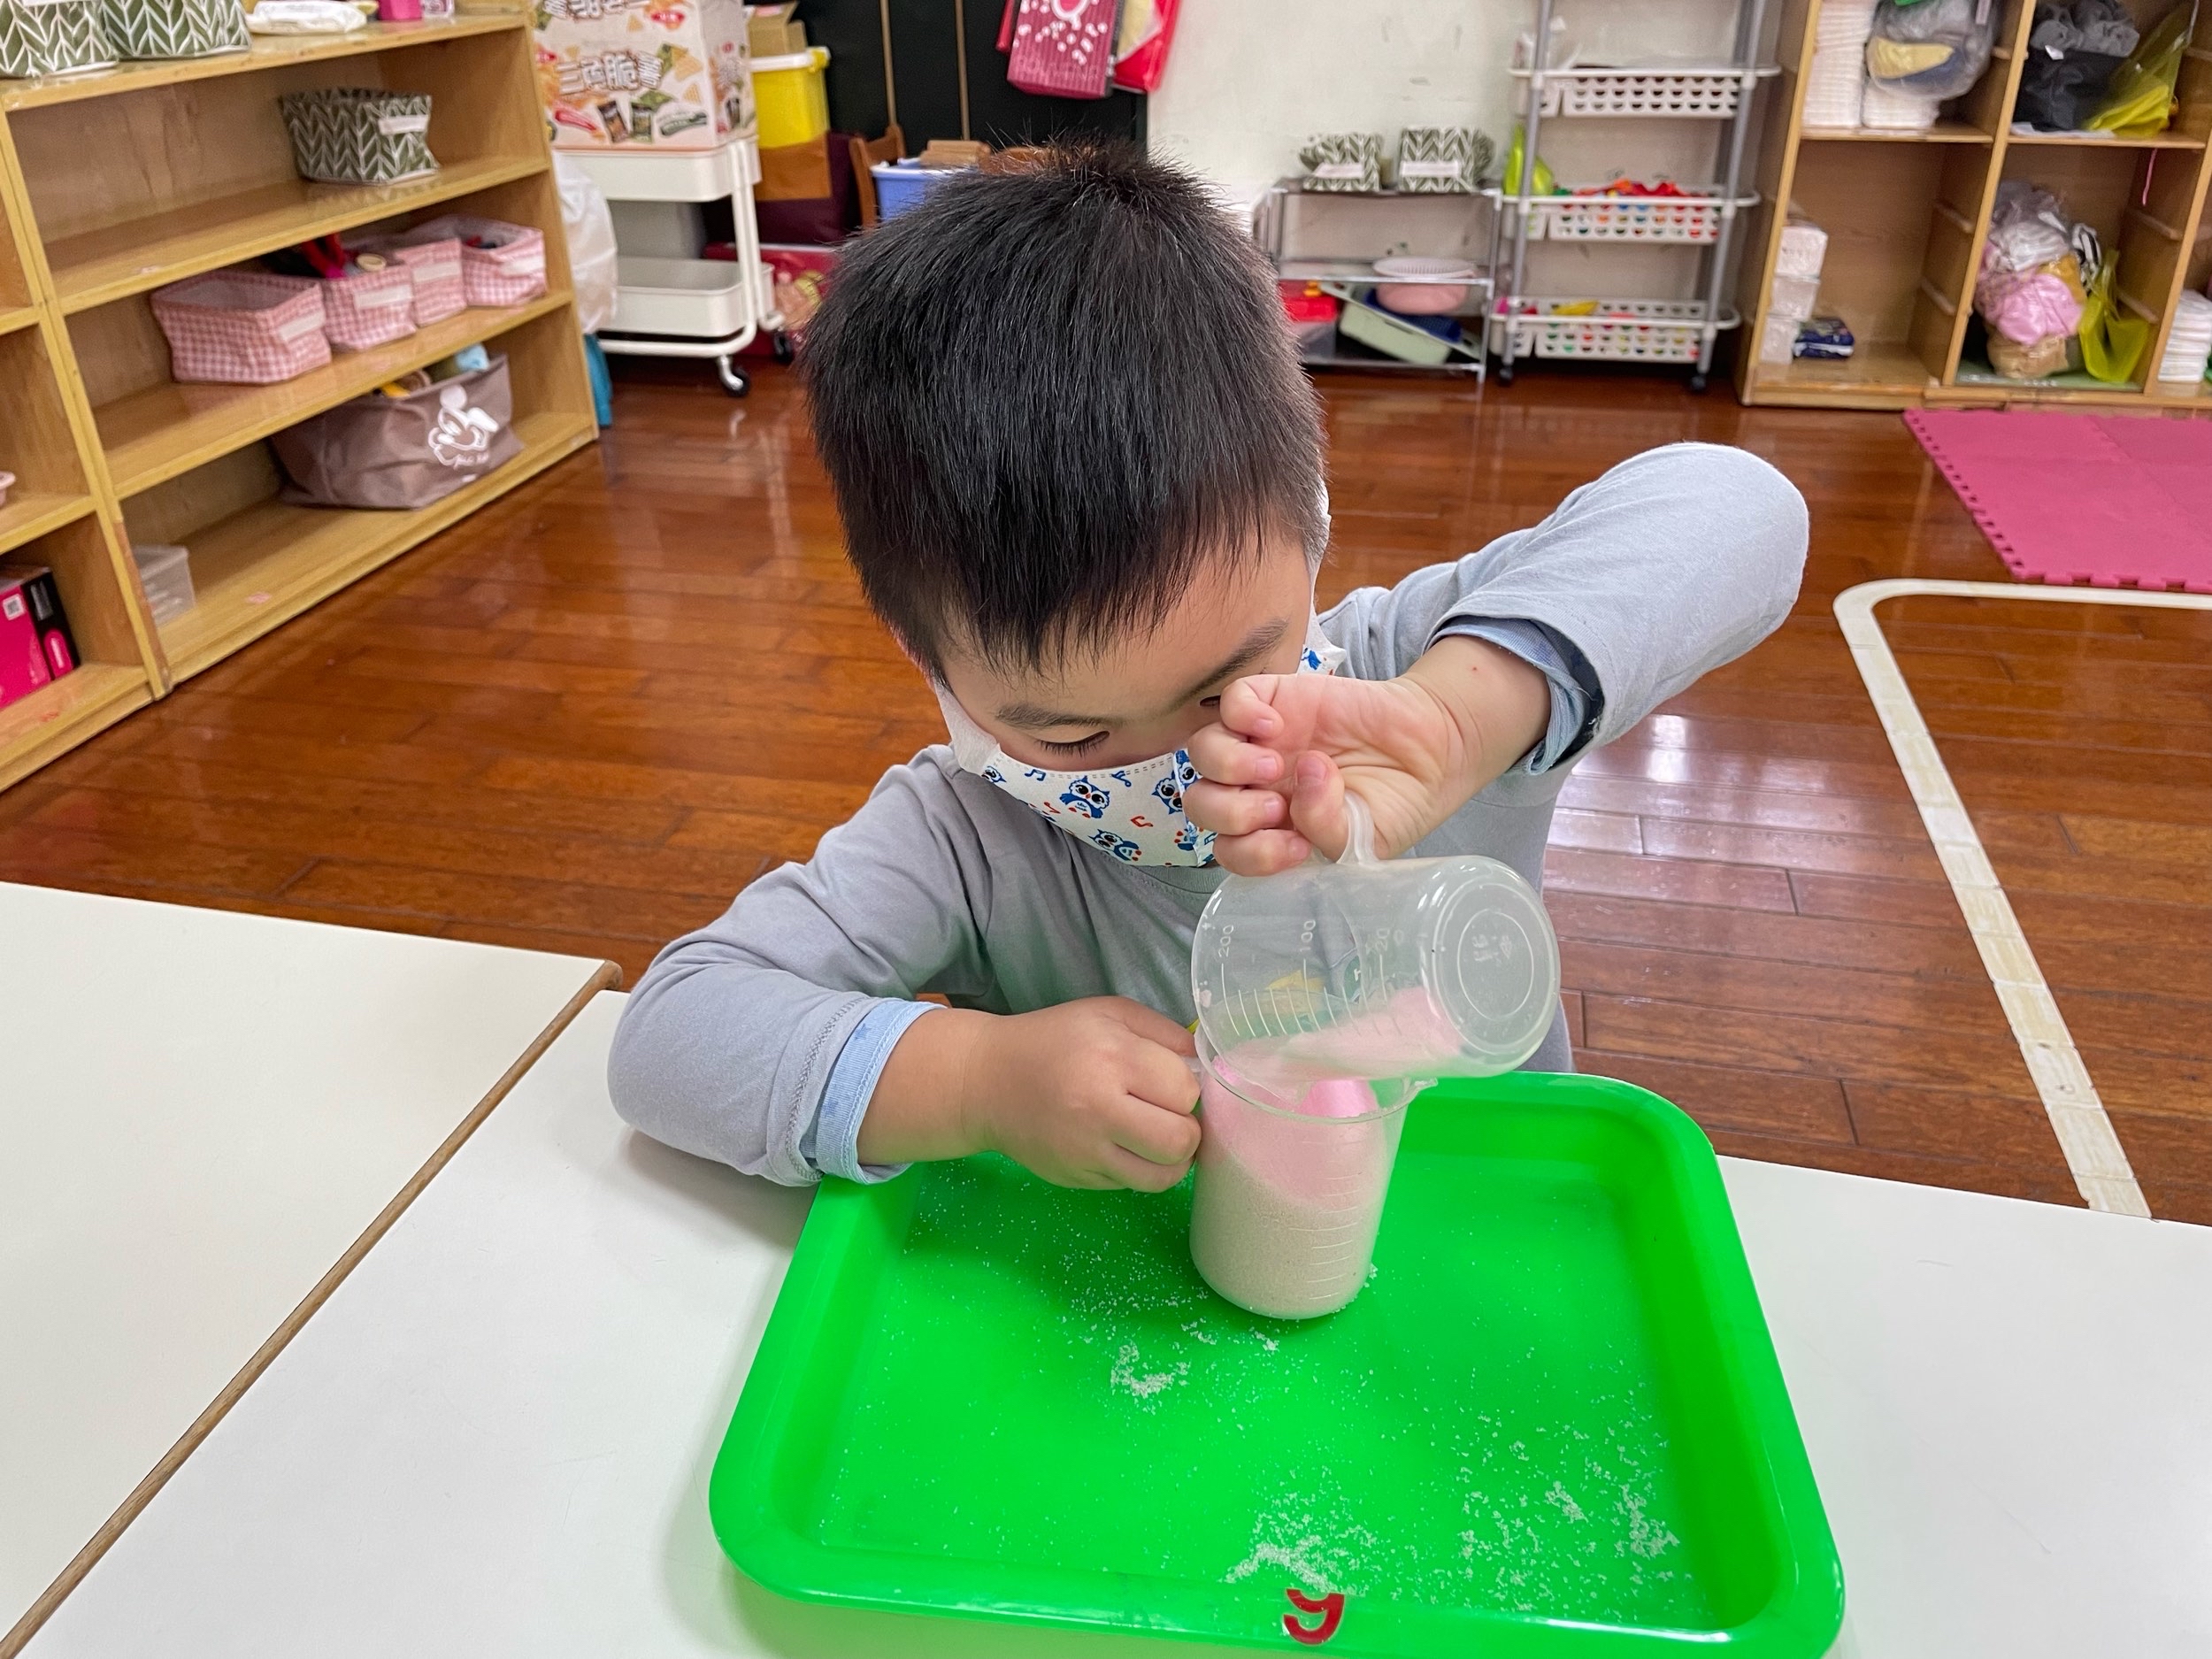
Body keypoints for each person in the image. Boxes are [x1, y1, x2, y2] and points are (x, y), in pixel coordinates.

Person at [609, 145, 1807, 1193]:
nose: (1185, 763)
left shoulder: (1411, 680)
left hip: (1498, 1236)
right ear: (934, 673)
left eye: (1229, 684)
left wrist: (1462, 719)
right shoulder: (965, 841)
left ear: (1310, 523)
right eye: (1073, 737)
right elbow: (672, 1032)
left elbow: (1739, 506)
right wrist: (974, 1080)